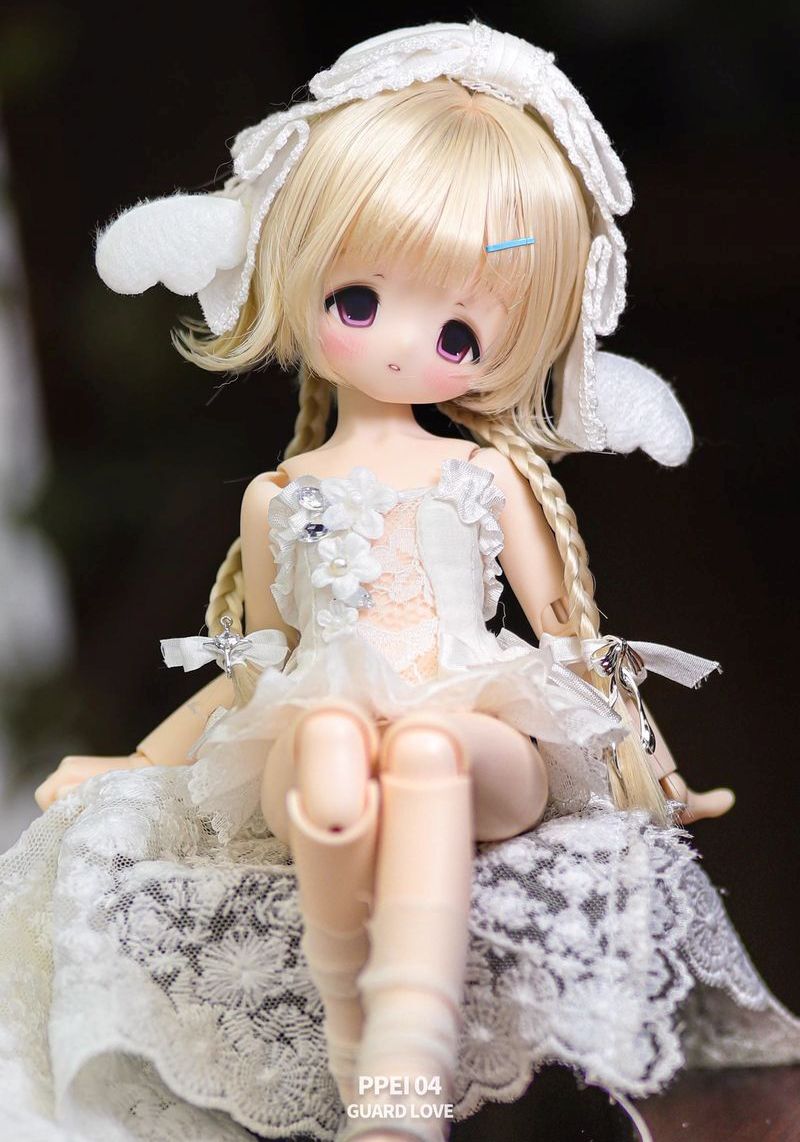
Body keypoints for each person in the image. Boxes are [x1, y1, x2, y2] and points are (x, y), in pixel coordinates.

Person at [5, 22, 798, 1142]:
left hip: (476, 733)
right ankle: (356, 1045)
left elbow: (577, 644)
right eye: (358, 301)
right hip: (319, 733)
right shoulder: (279, 496)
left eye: (458, 330)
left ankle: (404, 1074)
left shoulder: (485, 476)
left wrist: (652, 769)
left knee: (424, 749)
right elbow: (258, 670)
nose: (396, 344)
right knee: (332, 741)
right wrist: (135, 764)